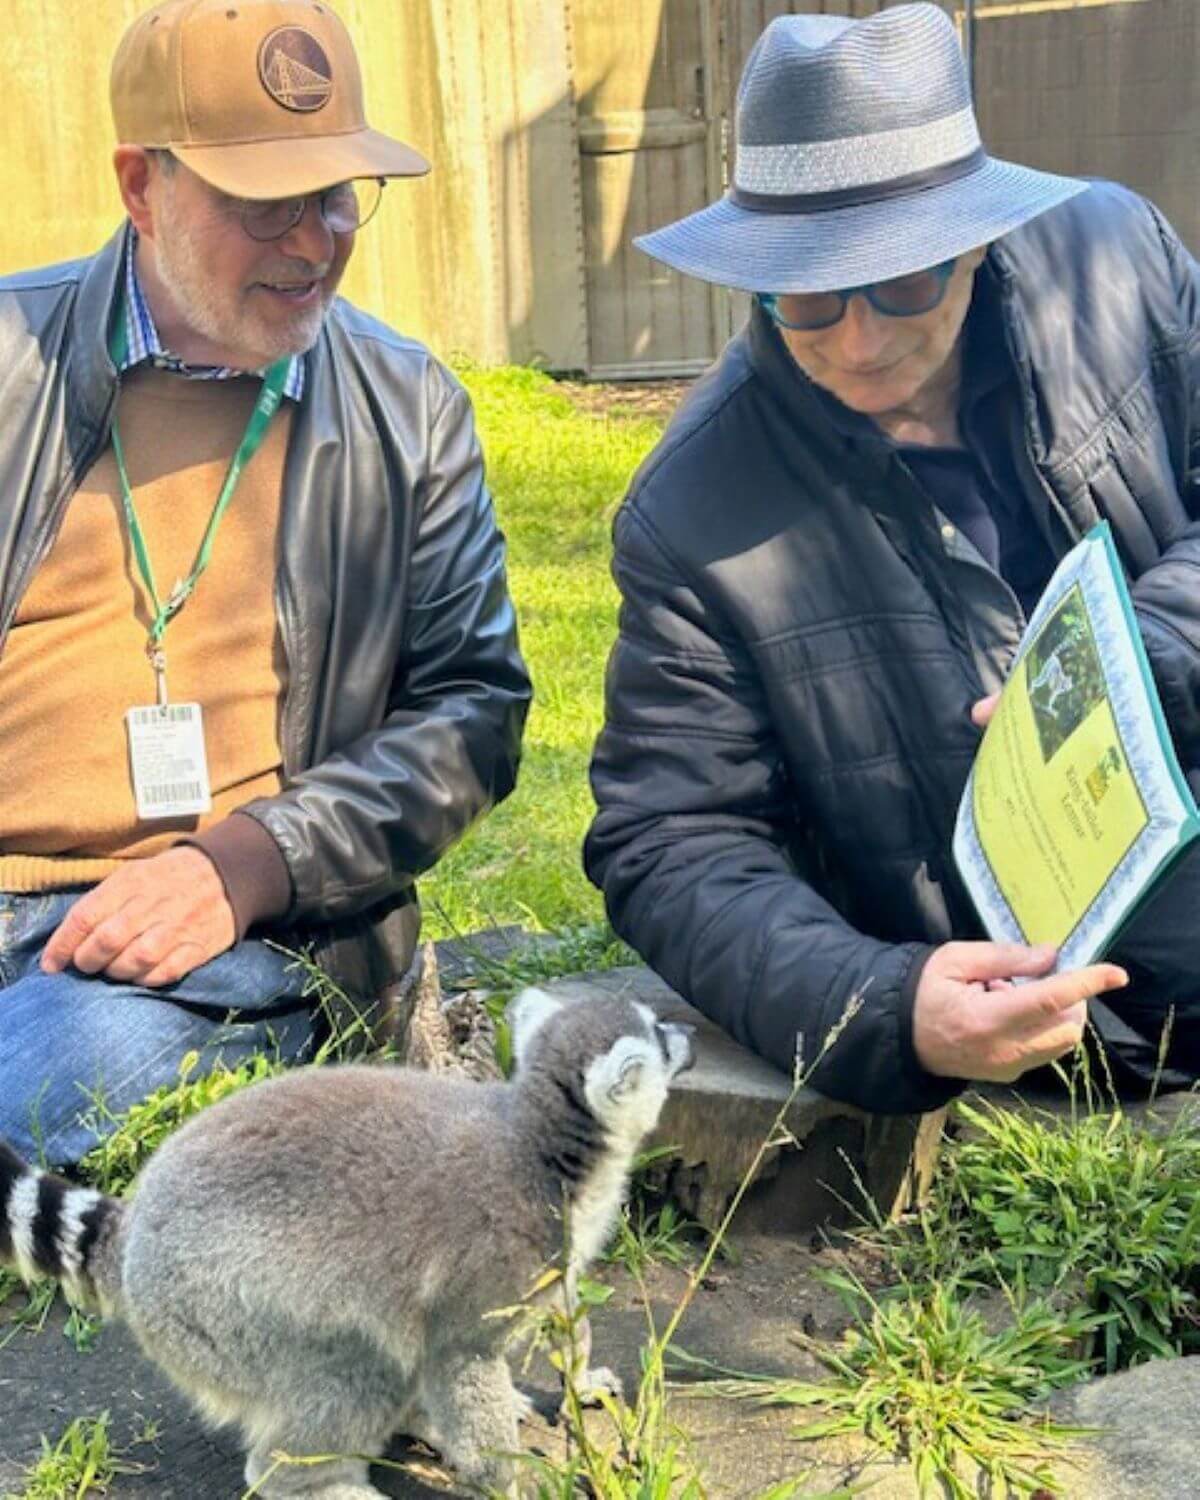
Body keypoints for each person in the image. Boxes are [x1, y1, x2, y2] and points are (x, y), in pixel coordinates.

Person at [585, 3, 1200, 1114]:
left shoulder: (1120, 265)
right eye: (806, 295)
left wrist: (1136, 665)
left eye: (908, 282)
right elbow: (667, 839)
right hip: (986, 959)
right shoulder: (690, 510)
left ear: (977, 237)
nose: (859, 341)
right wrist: (885, 1004)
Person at [0, 0, 530, 1166]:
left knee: (40, 1076)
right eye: (265, 205)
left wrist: (248, 864)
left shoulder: (409, 408)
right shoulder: (9, 358)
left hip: (219, 948)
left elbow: (474, 717)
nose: (315, 240)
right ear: (143, 187)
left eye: (338, 194)